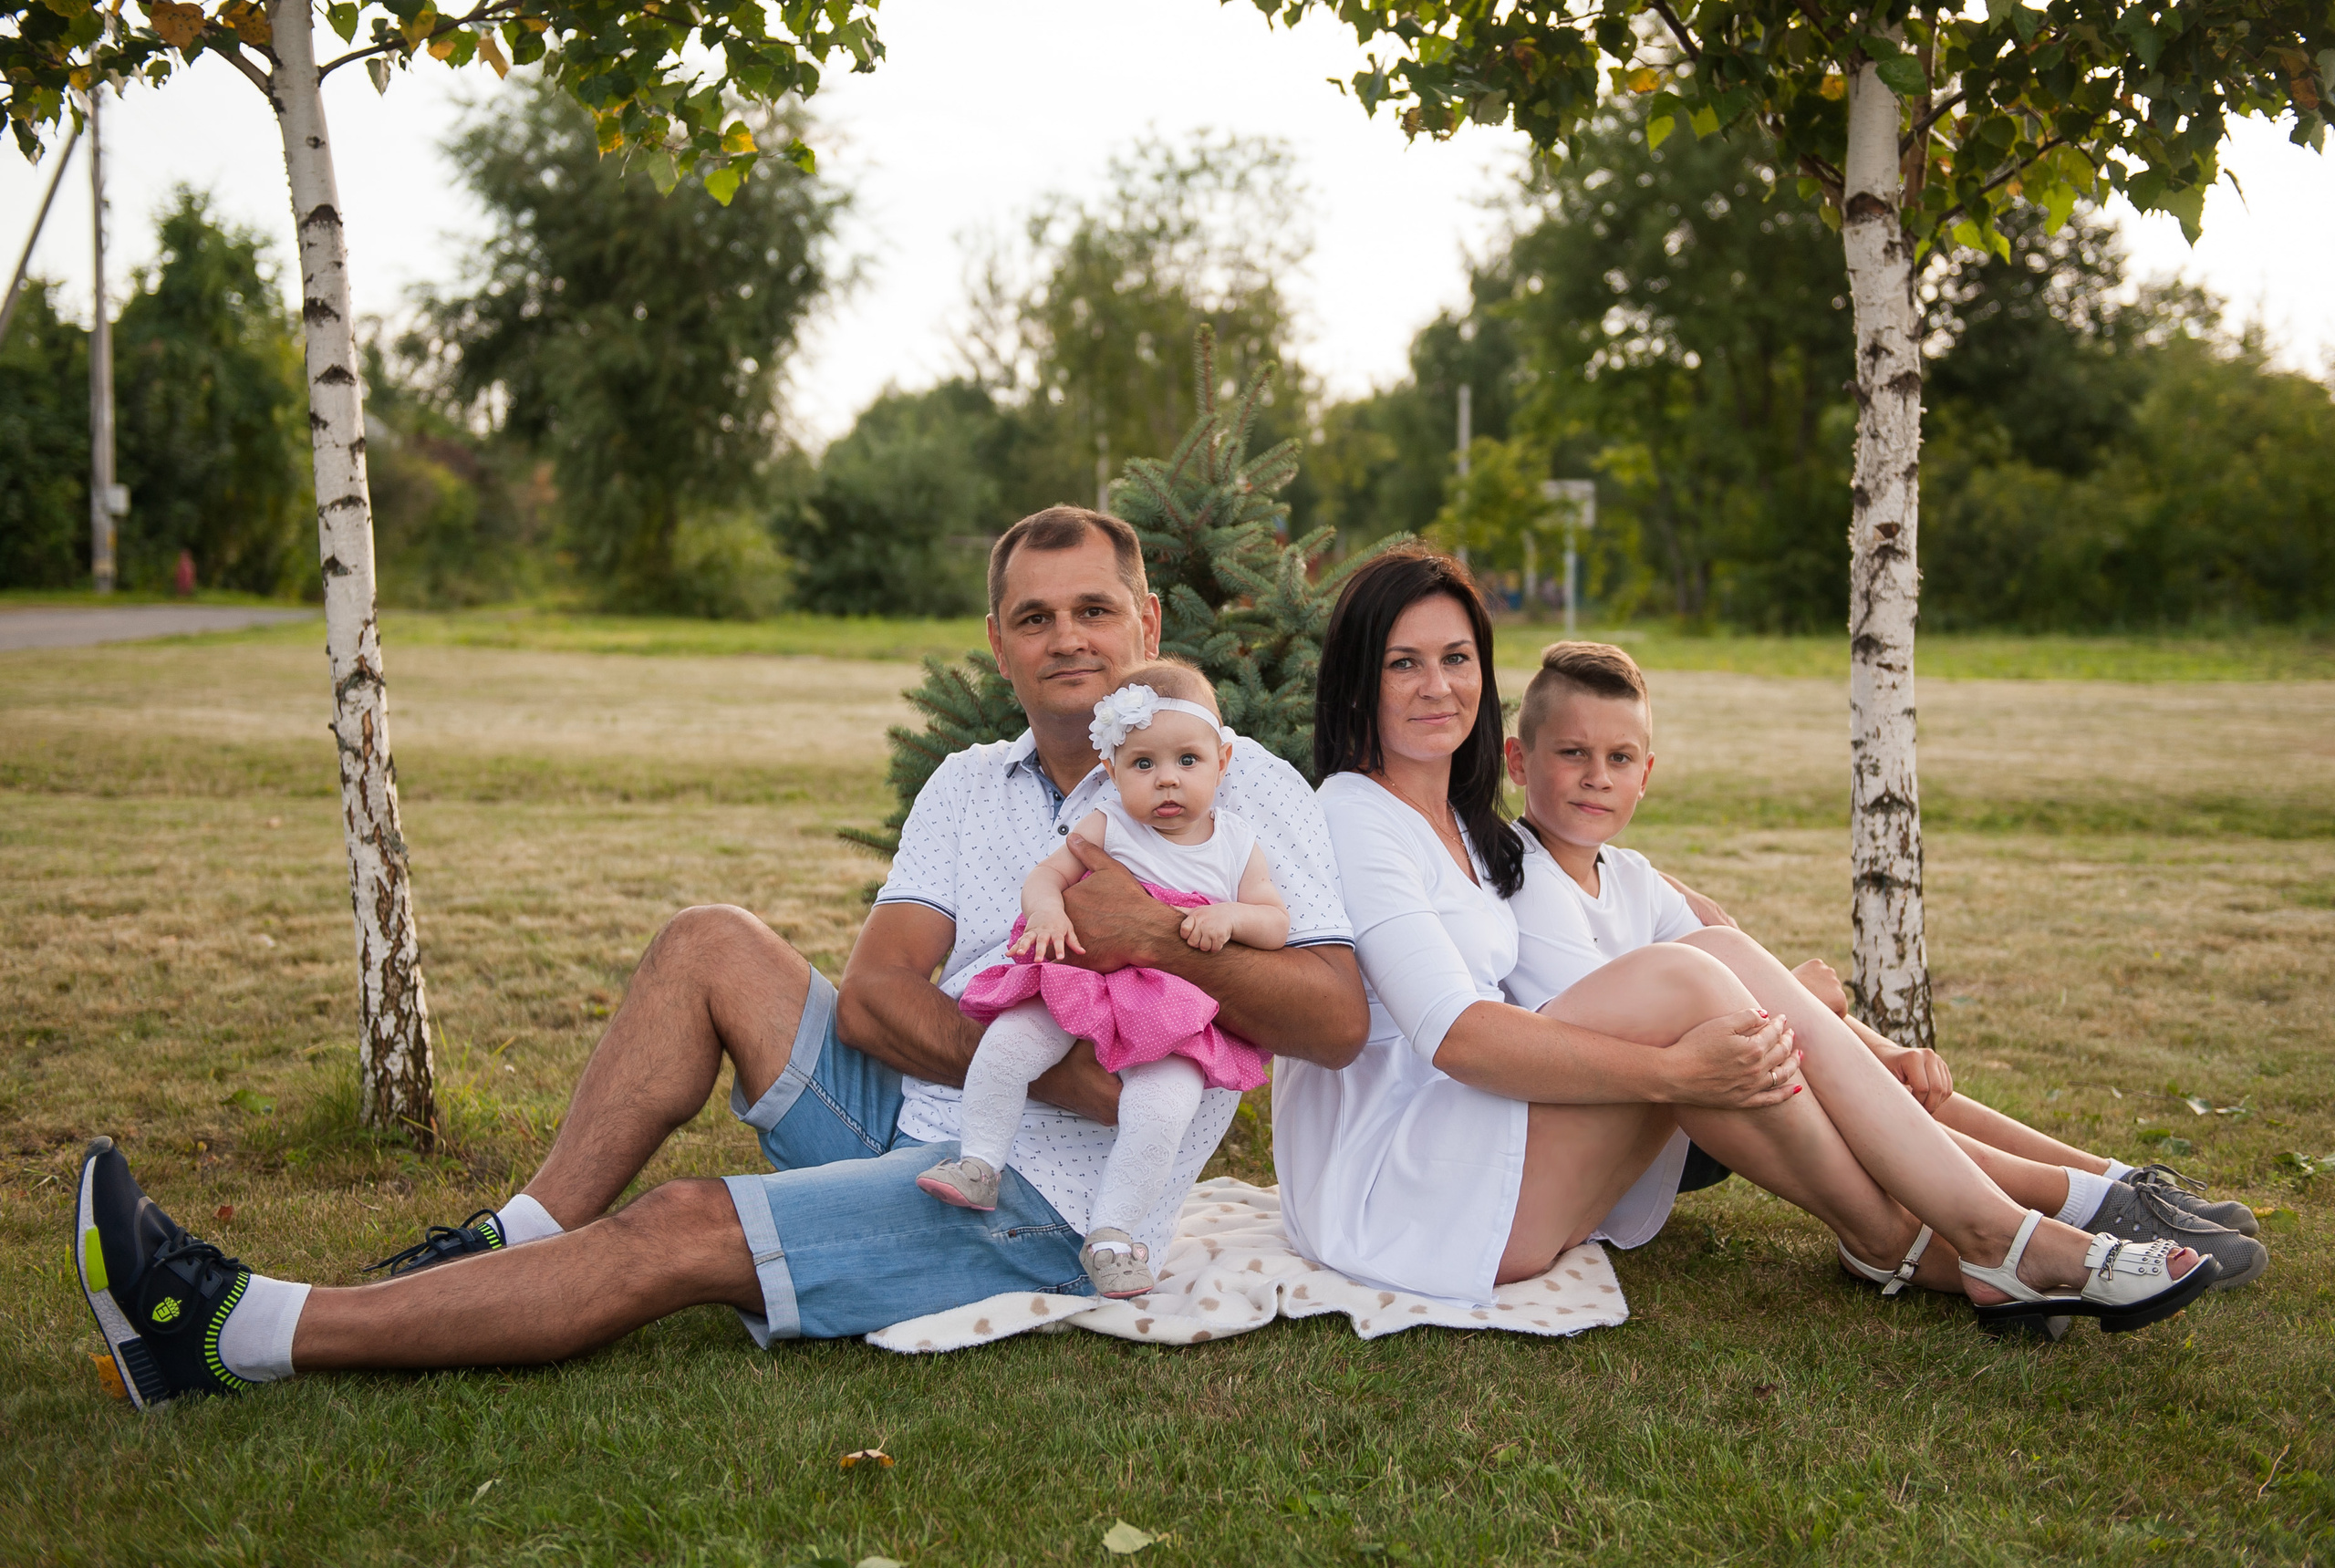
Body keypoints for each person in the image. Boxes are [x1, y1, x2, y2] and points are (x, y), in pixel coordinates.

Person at [73, 506, 1370, 1409]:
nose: (1070, 637)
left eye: (1096, 608)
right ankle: (501, 1236)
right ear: (1000, 645)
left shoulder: (1249, 788)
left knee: (689, 1222)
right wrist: (1034, 1067)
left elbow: (1332, 1013)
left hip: (1043, 1209)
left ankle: (235, 1330)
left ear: (1144, 617)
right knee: (710, 941)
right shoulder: (975, 782)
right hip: (932, 1113)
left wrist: (1152, 949)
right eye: (1035, 616)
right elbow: (872, 994)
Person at [1272, 543, 2219, 1336]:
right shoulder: (1356, 814)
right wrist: (1675, 1076)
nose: (1438, 685)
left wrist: (1804, 1015)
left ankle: (1960, 1238)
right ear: (1360, 679)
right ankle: (1984, 1236)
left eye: (1457, 657)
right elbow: (1459, 1037)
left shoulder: (1464, 823)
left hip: (1476, 1147)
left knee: (1711, 964)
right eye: (1404, 662)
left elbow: (1658, 907)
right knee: (1688, 986)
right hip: (1404, 1191)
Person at [1497, 638, 2265, 1287]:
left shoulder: (1633, 876)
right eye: (1572, 753)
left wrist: (1889, 1049)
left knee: (1870, 1077)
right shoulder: (1512, 874)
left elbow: (1731, 985)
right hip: (1615, 1123)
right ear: (1519, 761)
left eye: (1619, 756)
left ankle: (2100, 1181)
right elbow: (1633, 1026)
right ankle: (2058, 1204)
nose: (1598, 774)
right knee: (1801, 1047)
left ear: (1646, 773)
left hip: (1691, 1105)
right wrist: (1795, 997)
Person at [918, 661, 1285, 1298]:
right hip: (1084, 970)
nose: (1167, 778)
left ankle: (1113, 1234)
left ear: (1222, 761)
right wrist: (1050, 910)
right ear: (1112, 772)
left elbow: (1274, 921)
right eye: (1143, 764)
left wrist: (1229, 917)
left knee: (1163, 1107)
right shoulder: (1108, 825)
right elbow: (1044, 877)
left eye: (1188, 760)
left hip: (1170, 1001)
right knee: (1008, 1044)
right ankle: (980, 1160)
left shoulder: (1236, 842)